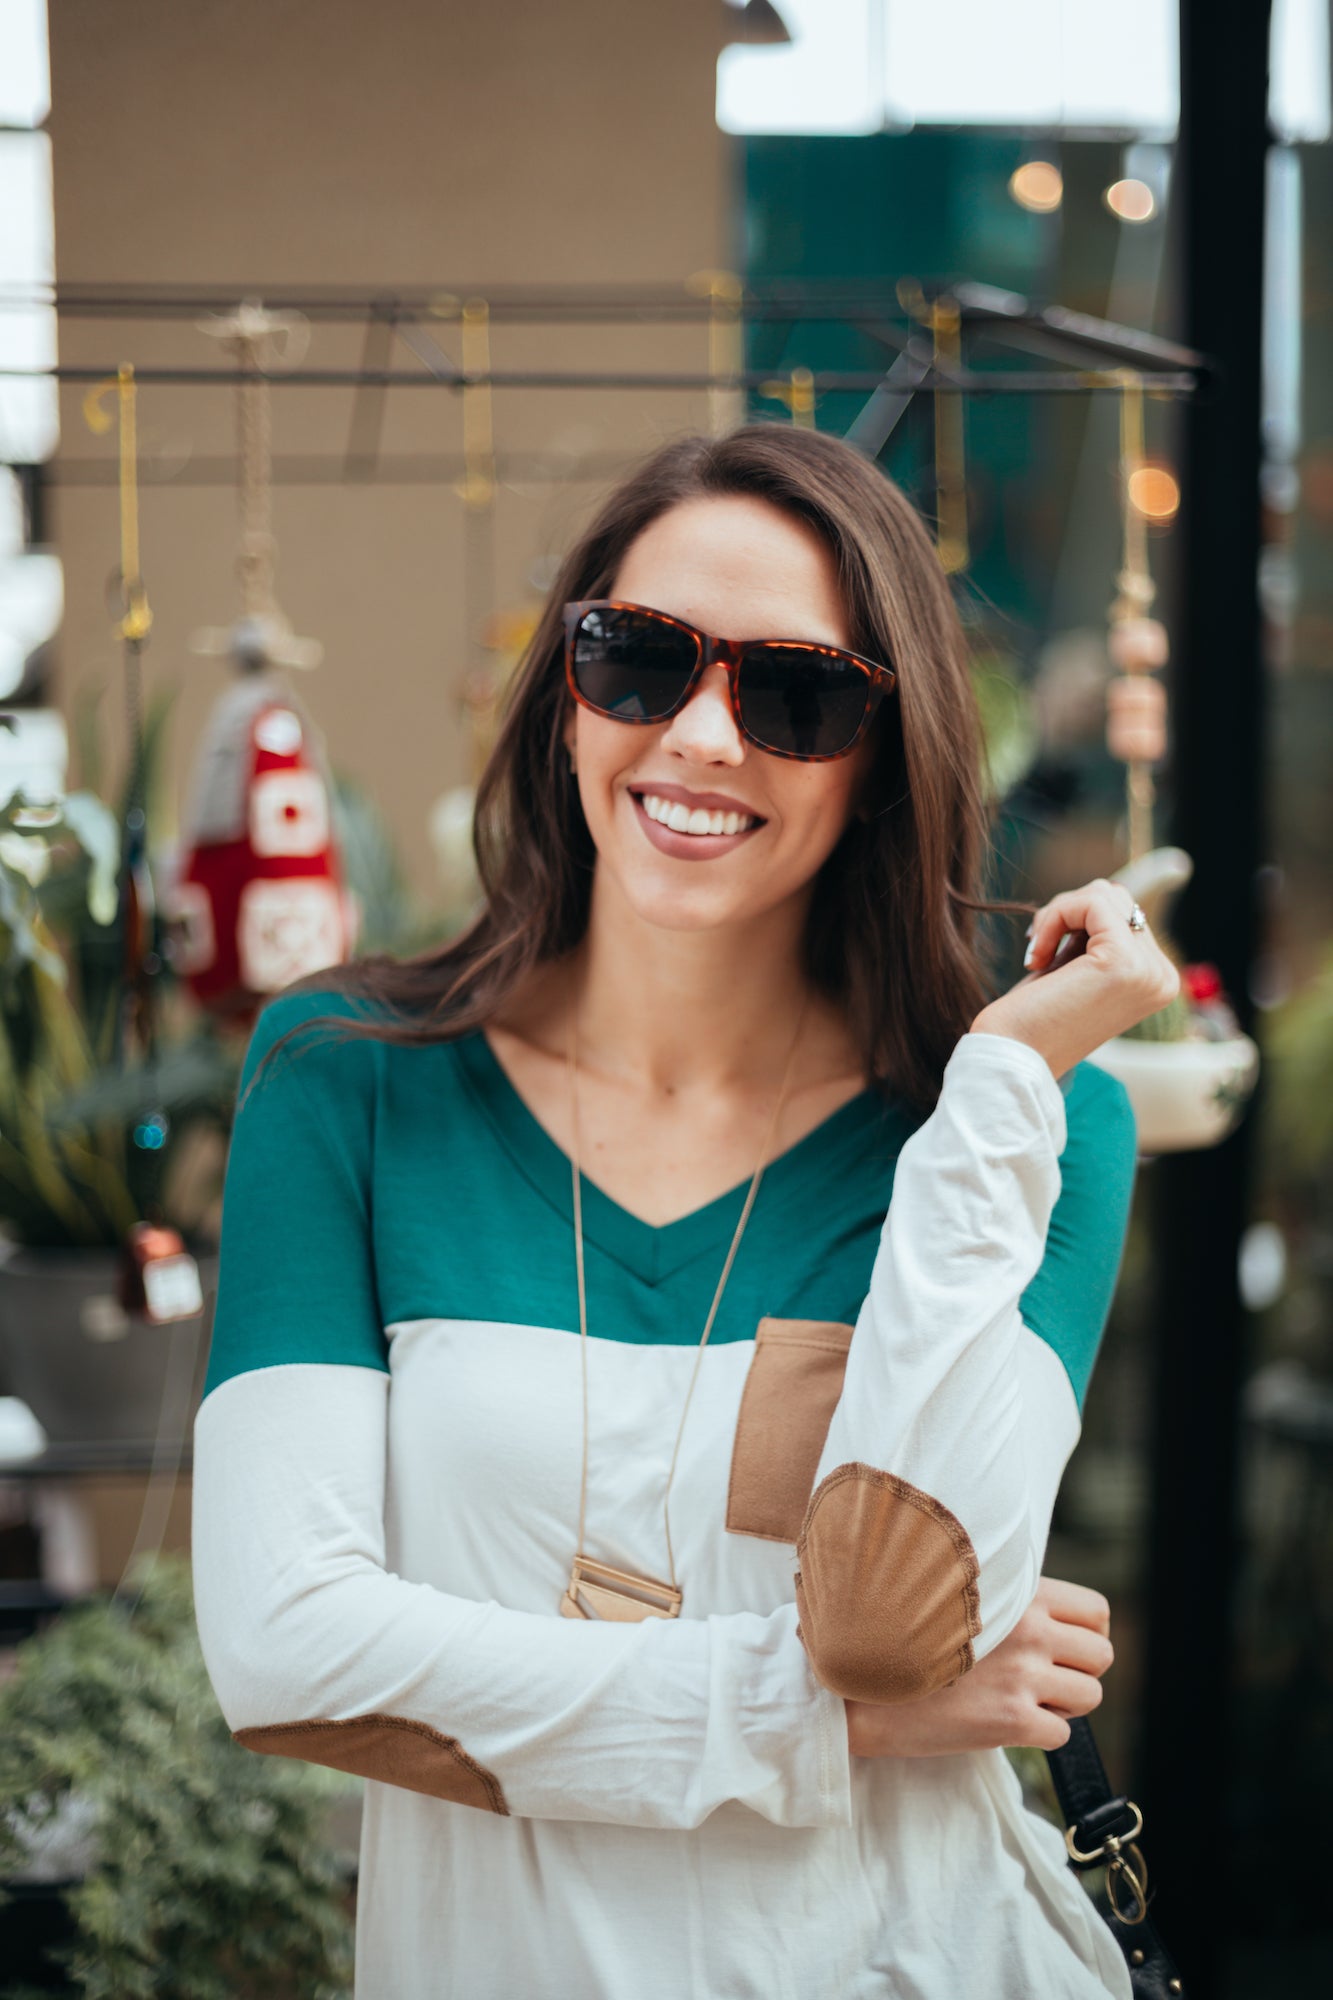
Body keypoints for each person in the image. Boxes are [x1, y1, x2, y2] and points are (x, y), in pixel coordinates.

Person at [191, 423, 1179, 1999]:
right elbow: (287, 1655)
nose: (704, 736)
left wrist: (1002, 1077)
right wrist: (832, 1724)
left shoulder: (1036, 1135)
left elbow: (881, 1617)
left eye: (795, 695)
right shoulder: (347, 1086)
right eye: (639, 660)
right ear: (566, 695)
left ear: (877, 761)